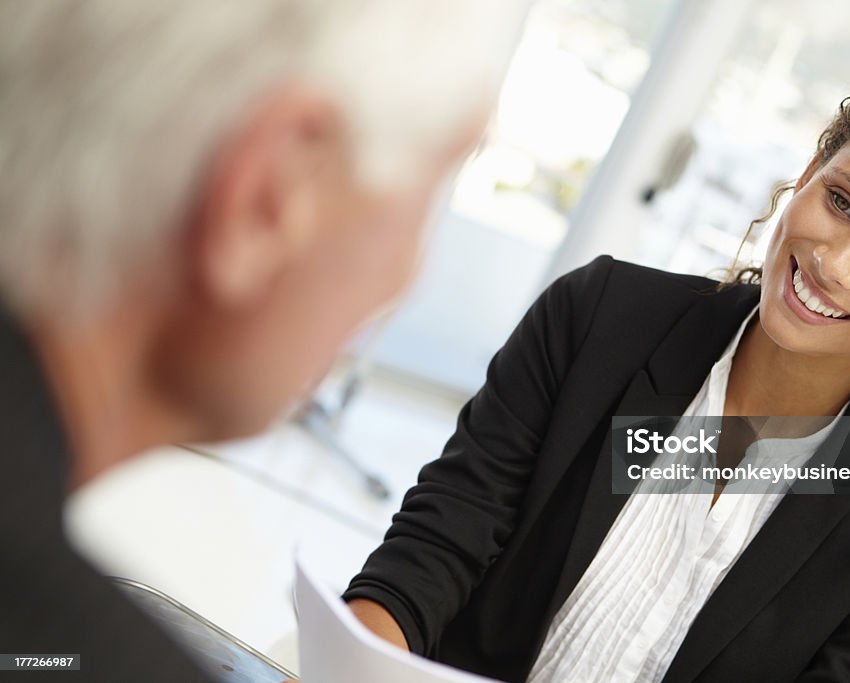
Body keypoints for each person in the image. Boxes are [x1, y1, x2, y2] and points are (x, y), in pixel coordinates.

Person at [344, 74, 850, 682]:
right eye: (843, 201)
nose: (836, 263)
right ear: (811, 170)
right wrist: (348, 667)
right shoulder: (600, 316)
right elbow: (441, 542)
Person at [0, 1, 527, 680]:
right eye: (431, 189)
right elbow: (455, 526)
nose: (406, 279)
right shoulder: (608, 314)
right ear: (268, 194)